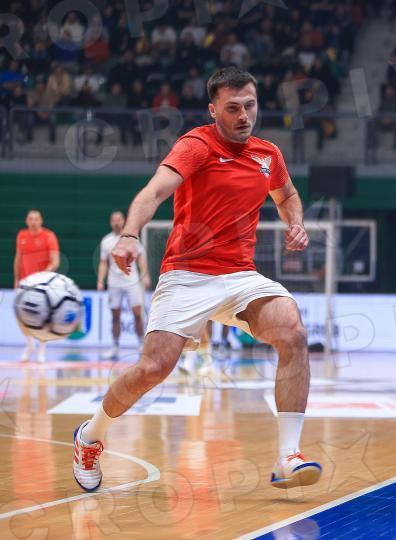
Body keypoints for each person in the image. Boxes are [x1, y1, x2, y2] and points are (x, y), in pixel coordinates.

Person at [72, 67, 321, 492]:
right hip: (187, 275)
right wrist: (129, 234)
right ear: (213, 110)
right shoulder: (196, 145)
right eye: (232, 108)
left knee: (293, 334)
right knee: (153, 368)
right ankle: (89, 436)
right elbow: (154, 191)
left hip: (240, 276)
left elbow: (288, 195)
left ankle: (287, 456)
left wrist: (294, 222)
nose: (244, 116)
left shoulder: (268, 154)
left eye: (250, 105)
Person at [97, 211, 150, 360]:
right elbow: (103, 263)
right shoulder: (106, 241)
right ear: (110, 223)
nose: (116, 223)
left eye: (119, 220)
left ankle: (141, 345)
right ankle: (114, 347)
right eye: (113, 220)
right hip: (114, 282)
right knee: (115, 315)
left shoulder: (131, 238)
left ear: (124, 221)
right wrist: (100, 280)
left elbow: (141, 258)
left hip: (132, 281)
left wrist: (145, 275)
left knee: (137, 314)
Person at [14, 209, 60, 362]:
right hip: (24, 282)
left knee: (41, 317)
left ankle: (41, 349)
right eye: (30, 219)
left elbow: (55, 261)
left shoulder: (49, 236)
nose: (33, 221)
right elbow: (18, 258)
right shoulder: (21, 235)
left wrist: (42, 276)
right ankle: (29, 344)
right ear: (26, 221)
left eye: (36, 219)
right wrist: (16, 279)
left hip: (43, 283)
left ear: (41, 221)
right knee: (21, 315)